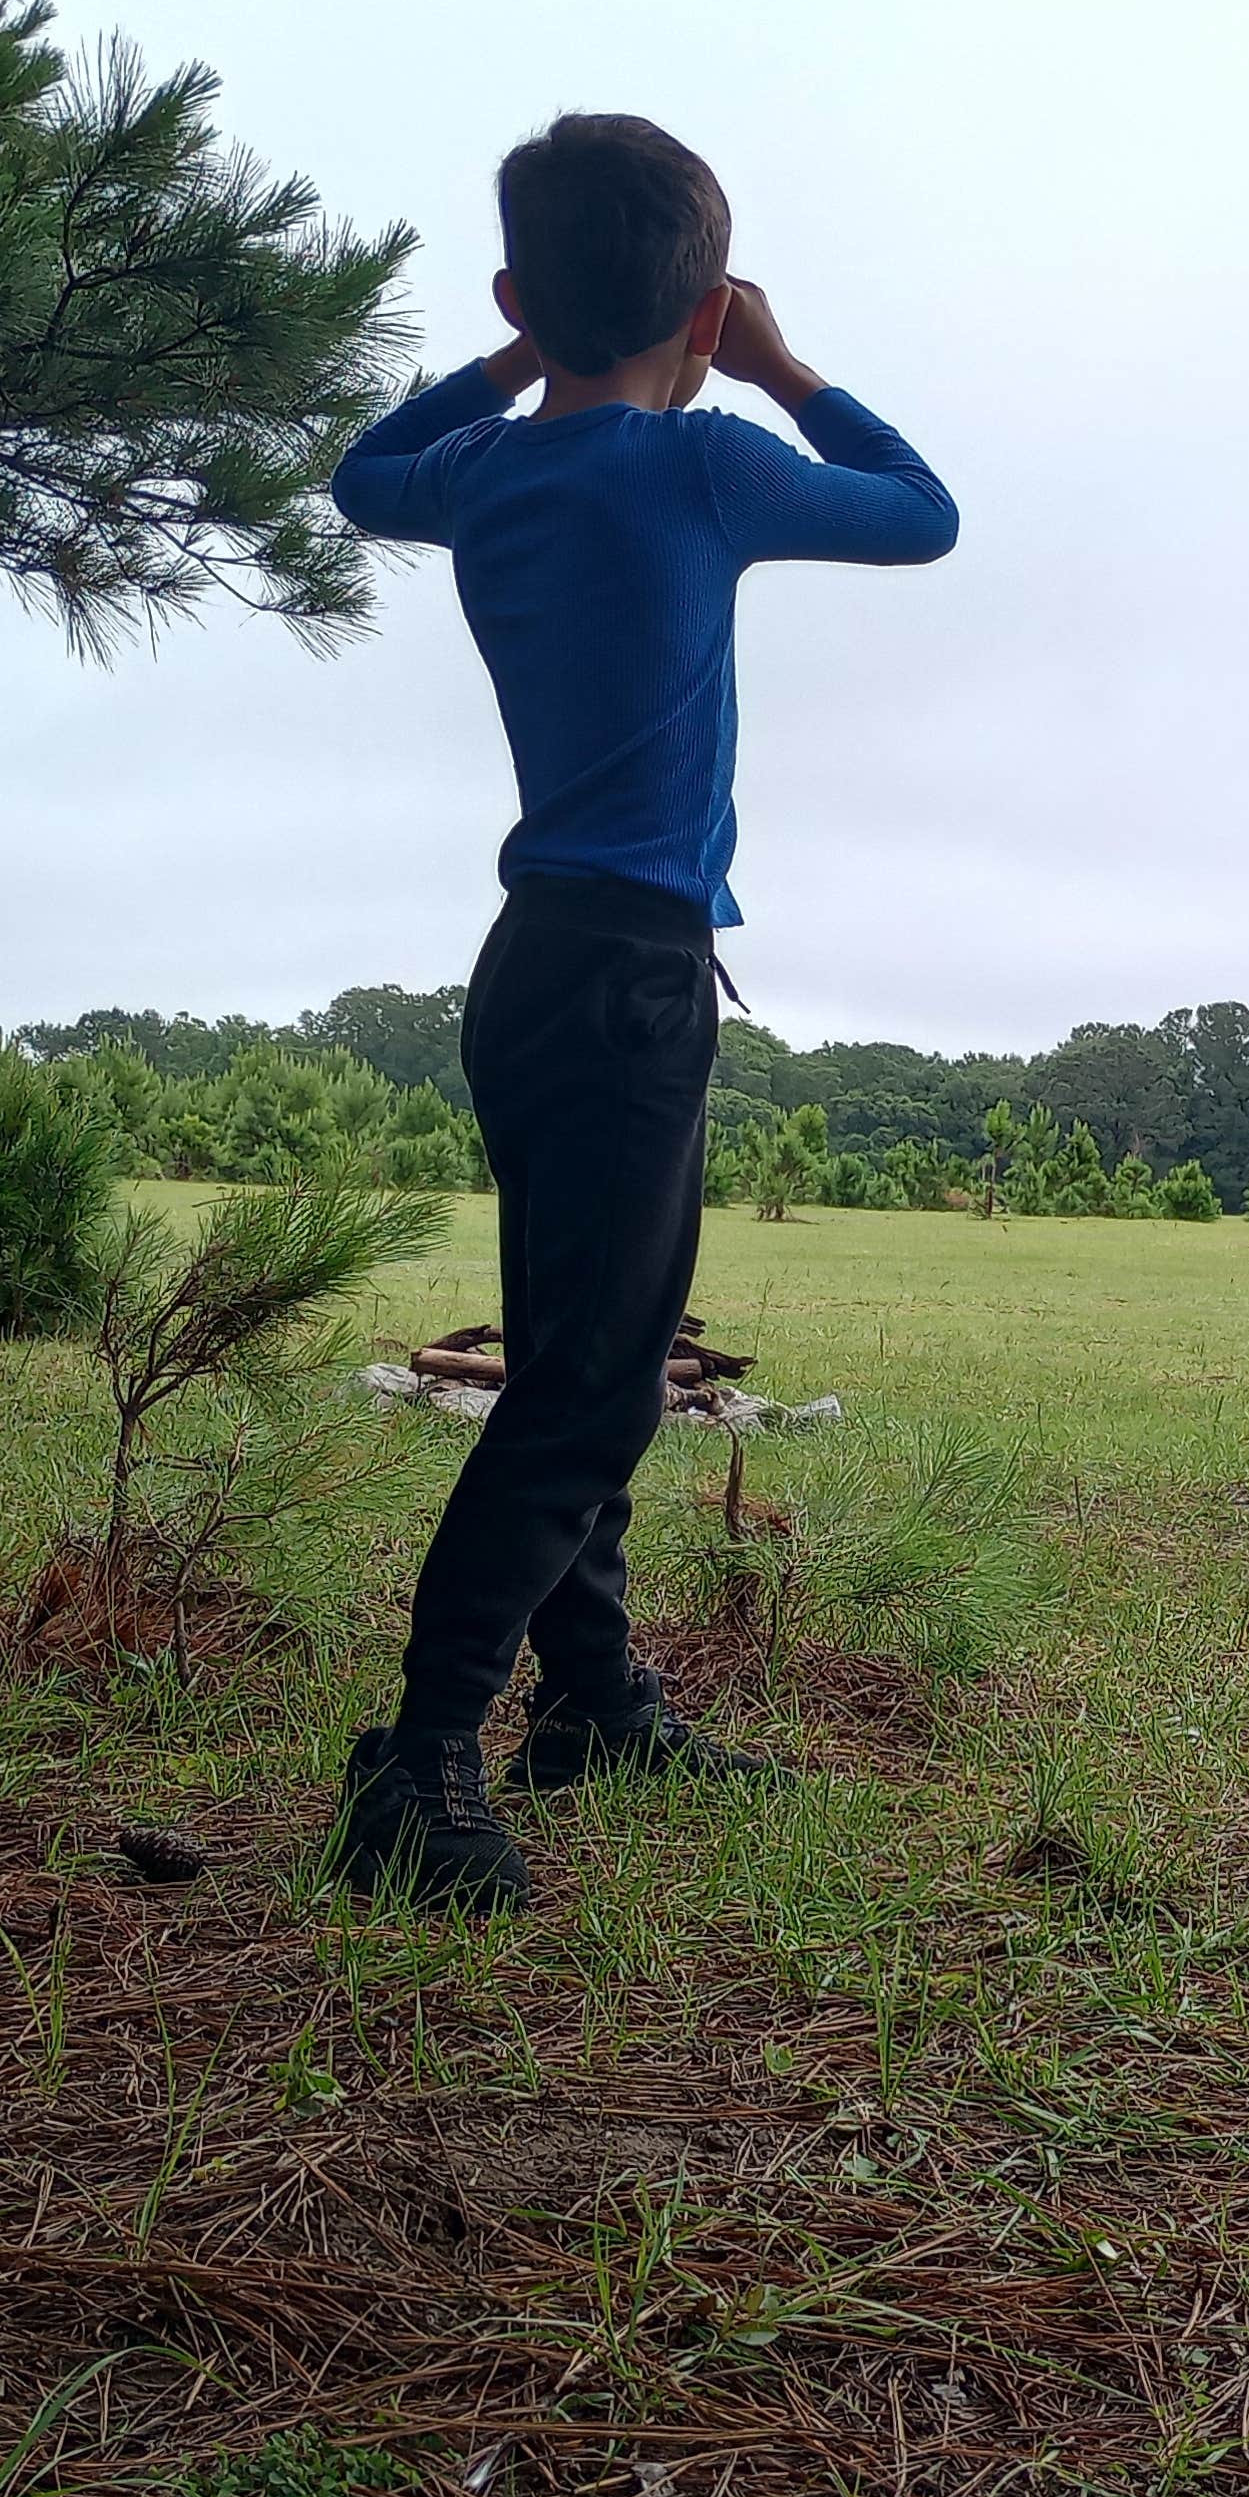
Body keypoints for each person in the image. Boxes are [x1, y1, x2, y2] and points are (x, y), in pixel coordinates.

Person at [322, 113, 958, 1912]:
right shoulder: (708, 468)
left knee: (583, 1342)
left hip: (531, 966)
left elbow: (365, 469)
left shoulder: (491, 478)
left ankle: (593, 1702)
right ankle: (420, 1759)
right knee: (592, 1392)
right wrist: (782, 367)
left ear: (523, 297)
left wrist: (504, 364)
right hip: (632, 981)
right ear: (704, 312)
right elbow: (926, 514)